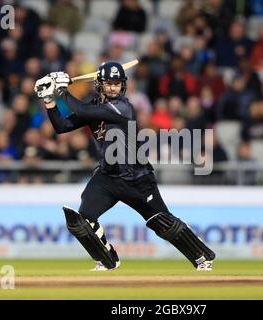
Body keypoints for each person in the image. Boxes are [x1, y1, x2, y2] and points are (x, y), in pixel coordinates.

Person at [34, 62, 215, 271]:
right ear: (99, 84)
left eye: (117, 83)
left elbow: (81, 109)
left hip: (137, 178)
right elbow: (62, 126)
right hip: (107, 177)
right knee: (81, 220)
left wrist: (61, 90)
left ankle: (201, 255)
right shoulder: (94, 107)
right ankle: (107, 260)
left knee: (162, 223)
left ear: (123, 86)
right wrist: (48, 99)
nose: (113, 88)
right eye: (108, 83)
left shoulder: (122, 107)